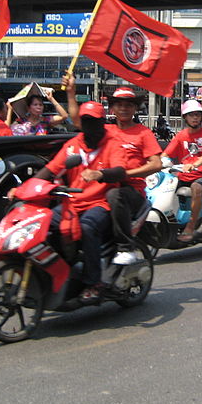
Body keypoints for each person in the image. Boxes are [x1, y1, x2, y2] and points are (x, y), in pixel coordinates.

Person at [32, 101, 128, 302]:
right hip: (71, 203)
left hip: (99, 203)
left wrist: (100, 174)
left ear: (102, 123)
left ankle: (94, 282)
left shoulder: (113, 143)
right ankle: (55, 270)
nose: (89, 127)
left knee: (87, 227)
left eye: (93, 122)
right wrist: (27, 187)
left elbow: (120, 171)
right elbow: (50, 170)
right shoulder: (73, 145)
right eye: (85, 122)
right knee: (40, 222)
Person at [106, 87, 163, 261]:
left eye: (128, 105)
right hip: (103, 187)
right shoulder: (105, 131)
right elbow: (78, 122)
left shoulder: (144, 133)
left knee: (115, 195)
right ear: (112, 108)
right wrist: (70, 93)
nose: (123, 108)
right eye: (119, 105)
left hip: (131, 192)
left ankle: (126, 247)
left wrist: (125, 174)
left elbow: (156, 164)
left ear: (135, 109)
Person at [162, 99, 202, 242]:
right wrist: (156, 161)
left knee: (196, 187)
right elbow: (166, 154)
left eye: (197, 115)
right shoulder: (181, 135)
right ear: (185, 117)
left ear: (201, 117)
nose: (195, 118)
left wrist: (195, 164)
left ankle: (191, 224)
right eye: (191, 115)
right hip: (183, 176)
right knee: (162, 187)